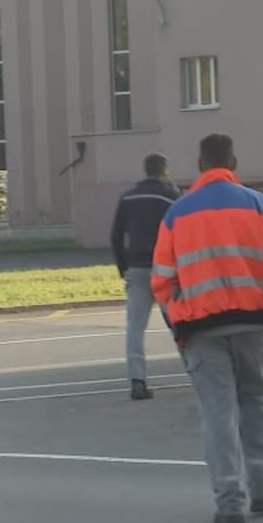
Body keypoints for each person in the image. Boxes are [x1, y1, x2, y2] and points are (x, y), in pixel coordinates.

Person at [152, 134, 263, 523]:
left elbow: (162, 281)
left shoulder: (177, 214)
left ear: (200, 163)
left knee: (218, 413)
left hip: (200, 328)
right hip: (252, 322)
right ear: (233, 161)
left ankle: (230, 501)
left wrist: (177, 326)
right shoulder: (261, 206)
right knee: (257, 406)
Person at [111, 153, 181, 401]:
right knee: (180, 322)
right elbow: (181, 233)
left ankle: (137, 381)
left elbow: (116, 236)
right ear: (164, 170)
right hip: (166, 269)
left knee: (135, 326)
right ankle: (197, 369)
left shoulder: (128, 198)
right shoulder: (171, 197)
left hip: (137, 267)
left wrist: (124, 269)